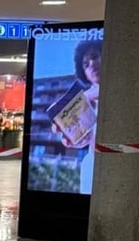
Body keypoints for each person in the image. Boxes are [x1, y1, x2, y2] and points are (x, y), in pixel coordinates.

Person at [53, 39, 101, 195]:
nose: (92, 64)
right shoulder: (87, 101)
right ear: (84, 74)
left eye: (95, 57)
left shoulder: (89, 97)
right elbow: (86, 139)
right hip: (92, 160)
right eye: (86, 64)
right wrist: (74, 139)